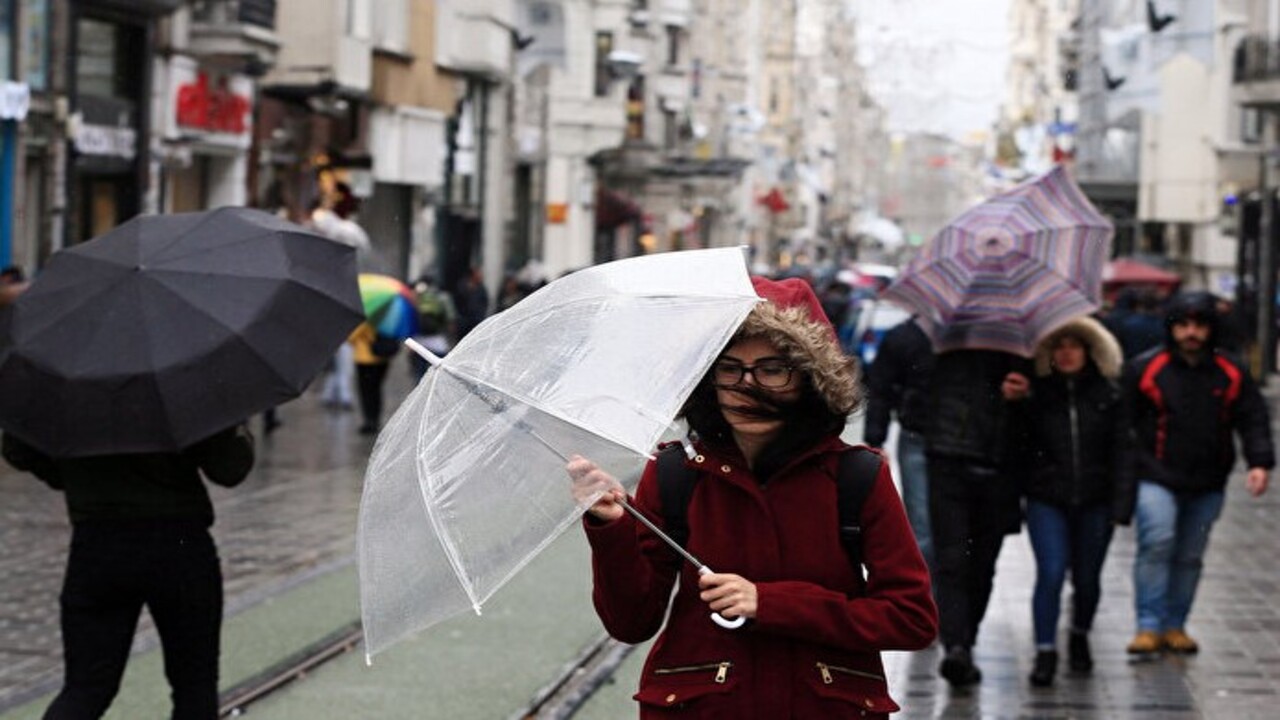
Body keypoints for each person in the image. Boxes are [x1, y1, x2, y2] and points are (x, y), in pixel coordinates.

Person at [566, 277, 936, 718]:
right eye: (730, 368)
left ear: (809, 378)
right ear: (710, 379)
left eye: (772, 369)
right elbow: (631, 623)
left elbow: (911, 617)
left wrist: (773, 603)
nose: (748, 386)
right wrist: (613, 530)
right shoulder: (674, 473)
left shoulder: (858, 476)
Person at [2, 425, 255, 719]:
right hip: (180, 542)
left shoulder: (69, 386)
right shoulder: (181, 385)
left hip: (98, 543)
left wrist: (72, 475)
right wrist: (238, 428)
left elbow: (17, 448)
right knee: (194, 687)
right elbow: (229, 469)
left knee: (86, 688)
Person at [1123, 290, 1274, 655]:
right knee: (1157, 541)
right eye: (1184, 325)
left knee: (1190, 553)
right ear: (1172, 328)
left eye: (1199, 325)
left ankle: (1175, 623)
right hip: (1156, 473)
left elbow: (1252, 418)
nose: (1192, 333)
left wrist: (1259, 462)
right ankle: (1148, 623)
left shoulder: (1231, 371)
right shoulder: (1147, 369)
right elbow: (1123, 422)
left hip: (1208, 478)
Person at [1015, 317, 1133, 687]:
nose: (1066, 353)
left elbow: (1124, 452)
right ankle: (1046, 650)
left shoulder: (1109, 396)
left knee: (1087, 579)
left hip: (1096, 501)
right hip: (1047, 499)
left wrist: (1121, 505)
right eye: (1059, 345)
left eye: (1074, 345)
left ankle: (1080, 633)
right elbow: (1018, 449)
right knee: (1050, 573)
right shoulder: (1037, 395)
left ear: (1090, 351)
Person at [926, 347, 1032, 686]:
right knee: (953, 560)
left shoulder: (1027, 348)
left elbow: (1045, 416)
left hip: (1001, 466)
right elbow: (917, 388)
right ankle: (956, 646)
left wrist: (1024, 397)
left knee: (983, 563)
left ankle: (966, 638)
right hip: (950, 459)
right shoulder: (944, 343)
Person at [863, 315, 936, 573]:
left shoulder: (968, 338)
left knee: (939, 530)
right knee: (923, 527)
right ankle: (927, 601)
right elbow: (880, 389)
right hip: (917, 436)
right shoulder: (906, 337)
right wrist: (875, 438)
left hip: (957, 443)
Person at [349, 321, 392, 435]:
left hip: (364, 358)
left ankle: (369, 420)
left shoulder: (365, 317)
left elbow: (352, 337)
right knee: (376, 389)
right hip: (382, 358)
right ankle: (375, 418)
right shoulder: (386, 317)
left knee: (366, 391)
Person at [453, 267, 490, 340]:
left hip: (477, 319)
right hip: (464, 320)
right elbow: (458, 301)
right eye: (478, 274)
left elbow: (485, 302)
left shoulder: (481, 288)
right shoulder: (462, 285)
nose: (480, 276)